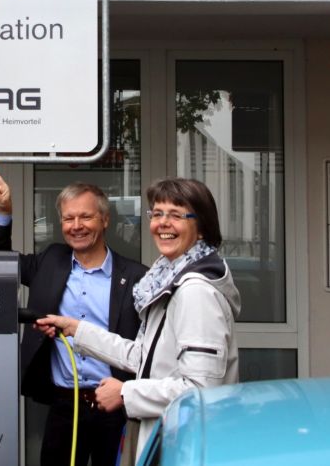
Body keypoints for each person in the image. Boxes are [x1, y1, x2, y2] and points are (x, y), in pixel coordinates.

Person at [36, 177, 240, 457]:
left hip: (189, 442)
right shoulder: (165, 281)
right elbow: (143, 357)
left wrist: (125, 394)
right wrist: (77, 329)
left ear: (201, 228)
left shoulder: (196, 292)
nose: (163, 223)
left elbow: (200, 388)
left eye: (176, 215)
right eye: (157, 214)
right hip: (172, 435)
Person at [0, 171, 147, 466]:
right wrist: (4, 214)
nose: (76, 226)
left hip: (115, 405)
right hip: (65, 405)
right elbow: (0, 264)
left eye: (85, 217)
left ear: (105, 219)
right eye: (68, 218)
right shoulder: (51, 261)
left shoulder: (136, 277)